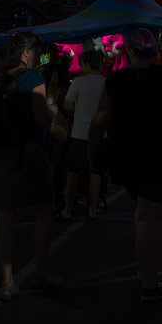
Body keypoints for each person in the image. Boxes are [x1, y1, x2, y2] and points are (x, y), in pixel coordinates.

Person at [89, 28, 162, 302]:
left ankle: (144, 272)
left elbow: (99, 121)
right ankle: (149, 283)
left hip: (127, 156)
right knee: (151, 219)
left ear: (129, 50)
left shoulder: (114, 81)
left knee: (142, 214)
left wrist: (92, 154)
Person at [0, 31, 60, 301]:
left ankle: (7, 282)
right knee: (45, 208)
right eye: (36, 51)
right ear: (26, 52)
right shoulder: (33, 77)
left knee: (4, 216)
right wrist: (52, 111)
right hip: (29, 151)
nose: (38, 56)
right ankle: (40, 274)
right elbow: (40, 119)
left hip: (0, 153)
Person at [60, 50, 106, 220]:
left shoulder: (79, 82)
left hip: (79, 134)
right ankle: (92, 209)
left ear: (86, 63)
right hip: (100, 135)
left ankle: (68, 209)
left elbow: (68, 106)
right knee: (96, 173)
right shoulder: (106, 82)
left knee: (72, 173)